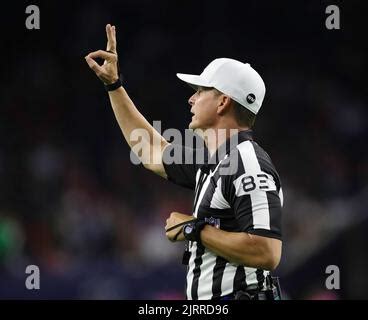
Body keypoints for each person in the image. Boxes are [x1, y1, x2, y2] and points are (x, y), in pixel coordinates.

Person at [85, 24, 283, 300]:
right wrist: (114, 85)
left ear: (223, 101)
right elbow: (150, 149)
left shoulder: (248, 161)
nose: (191, 98)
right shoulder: (217, 161)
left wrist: (194, 229)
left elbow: (267, 250)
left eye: (200, 91)